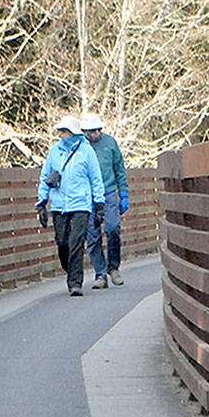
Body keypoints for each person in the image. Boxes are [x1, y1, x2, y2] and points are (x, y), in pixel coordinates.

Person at [36, 115, 105, 296]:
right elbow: (45, 177)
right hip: (59, 204)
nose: (62, 135)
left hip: (81, 204)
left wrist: (99, 204)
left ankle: (75, 282)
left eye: (65, 131)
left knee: (76, 242)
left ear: (74, 132)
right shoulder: (54, 151)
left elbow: (96, 178)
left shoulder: (86, 151)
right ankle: (71, 270)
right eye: (61, 131)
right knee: (62, 243)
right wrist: (42, 203)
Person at [79, 113, 129, 288]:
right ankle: (100, 273)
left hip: (108, 191)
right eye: (89, 131)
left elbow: (119, 168)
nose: (94, 134)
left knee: (113, 227)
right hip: (88, 195)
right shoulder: (81, 146)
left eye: (96, 130)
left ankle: (113, 267)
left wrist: (123, 192)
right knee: (92, 235)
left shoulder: (110, 143)